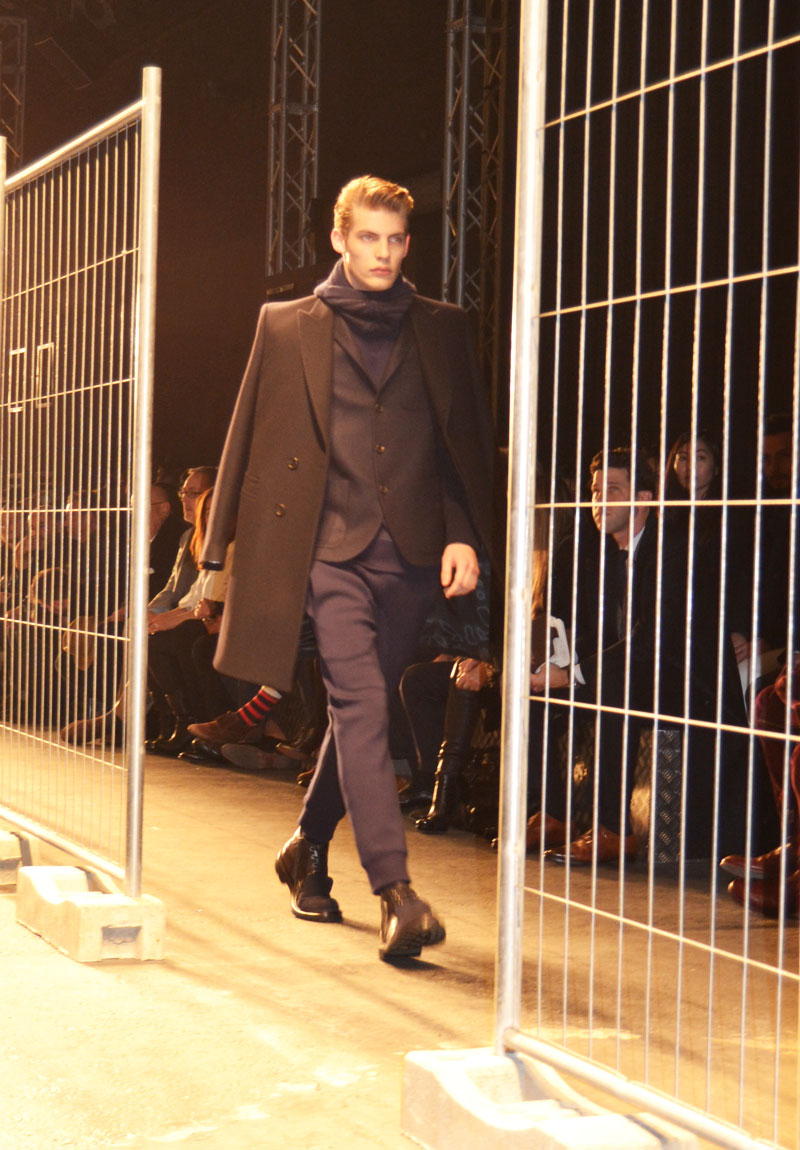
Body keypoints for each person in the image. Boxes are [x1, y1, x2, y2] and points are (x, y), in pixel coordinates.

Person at [202, 175, 494, 961]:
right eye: (368, 236)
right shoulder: (286, 323)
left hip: (413, 554)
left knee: (357, 715)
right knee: (362, 702)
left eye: (395, 239)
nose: (383, 252)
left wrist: (463, 533)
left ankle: (307, 845)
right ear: (339, 238)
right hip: (326, 547)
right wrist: (217, 549)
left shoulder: (441, 327)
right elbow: (246, 429)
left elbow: (459, 445)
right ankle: (396, 890)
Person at [529, 447, 748, 865]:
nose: (599, 502)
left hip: (691, 686)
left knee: (614, 684)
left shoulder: (674, 550)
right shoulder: (599, 551)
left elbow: (653, 640)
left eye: (613, 490)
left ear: (644, 498)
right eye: (595, 492)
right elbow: (594, 631)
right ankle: (550, 815)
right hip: (635, 671)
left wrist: (573, 673)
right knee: (535, 693)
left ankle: (613, 830)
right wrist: (551, 664)